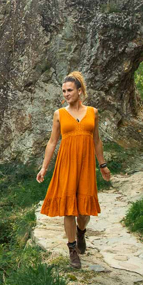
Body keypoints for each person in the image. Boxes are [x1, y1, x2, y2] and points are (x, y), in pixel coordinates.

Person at [36, 71, 111, 268]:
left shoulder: (93, 113)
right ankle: (72, 249)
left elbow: (96, 141)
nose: (66, 94)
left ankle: (81, 231)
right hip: (66, 164)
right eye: (63, 91)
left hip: (86, 165)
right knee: (68, 209)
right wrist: (44, 168)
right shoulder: (59, 114)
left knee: (84, 211)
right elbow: (52, 142)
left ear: (79, 91)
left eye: (69, 90)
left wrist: (103, 165)